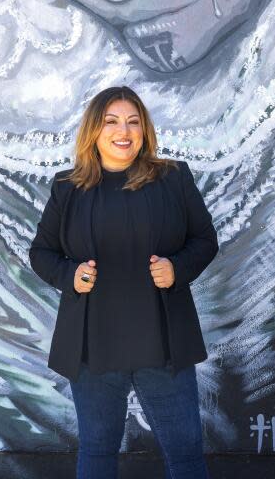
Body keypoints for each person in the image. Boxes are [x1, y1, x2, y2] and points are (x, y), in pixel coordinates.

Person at [29, 85, 219, 479]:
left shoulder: (173, 178)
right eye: (112, 121)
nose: (124, 131)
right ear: (94, 130)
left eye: (134, 122)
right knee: (97, 454)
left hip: (163, 347)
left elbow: (205, 239)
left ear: (144, 130)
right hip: (93, 349)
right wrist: (72, 276)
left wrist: (177, 267)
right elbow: (41, 253)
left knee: (185, 456)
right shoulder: (67, 188)